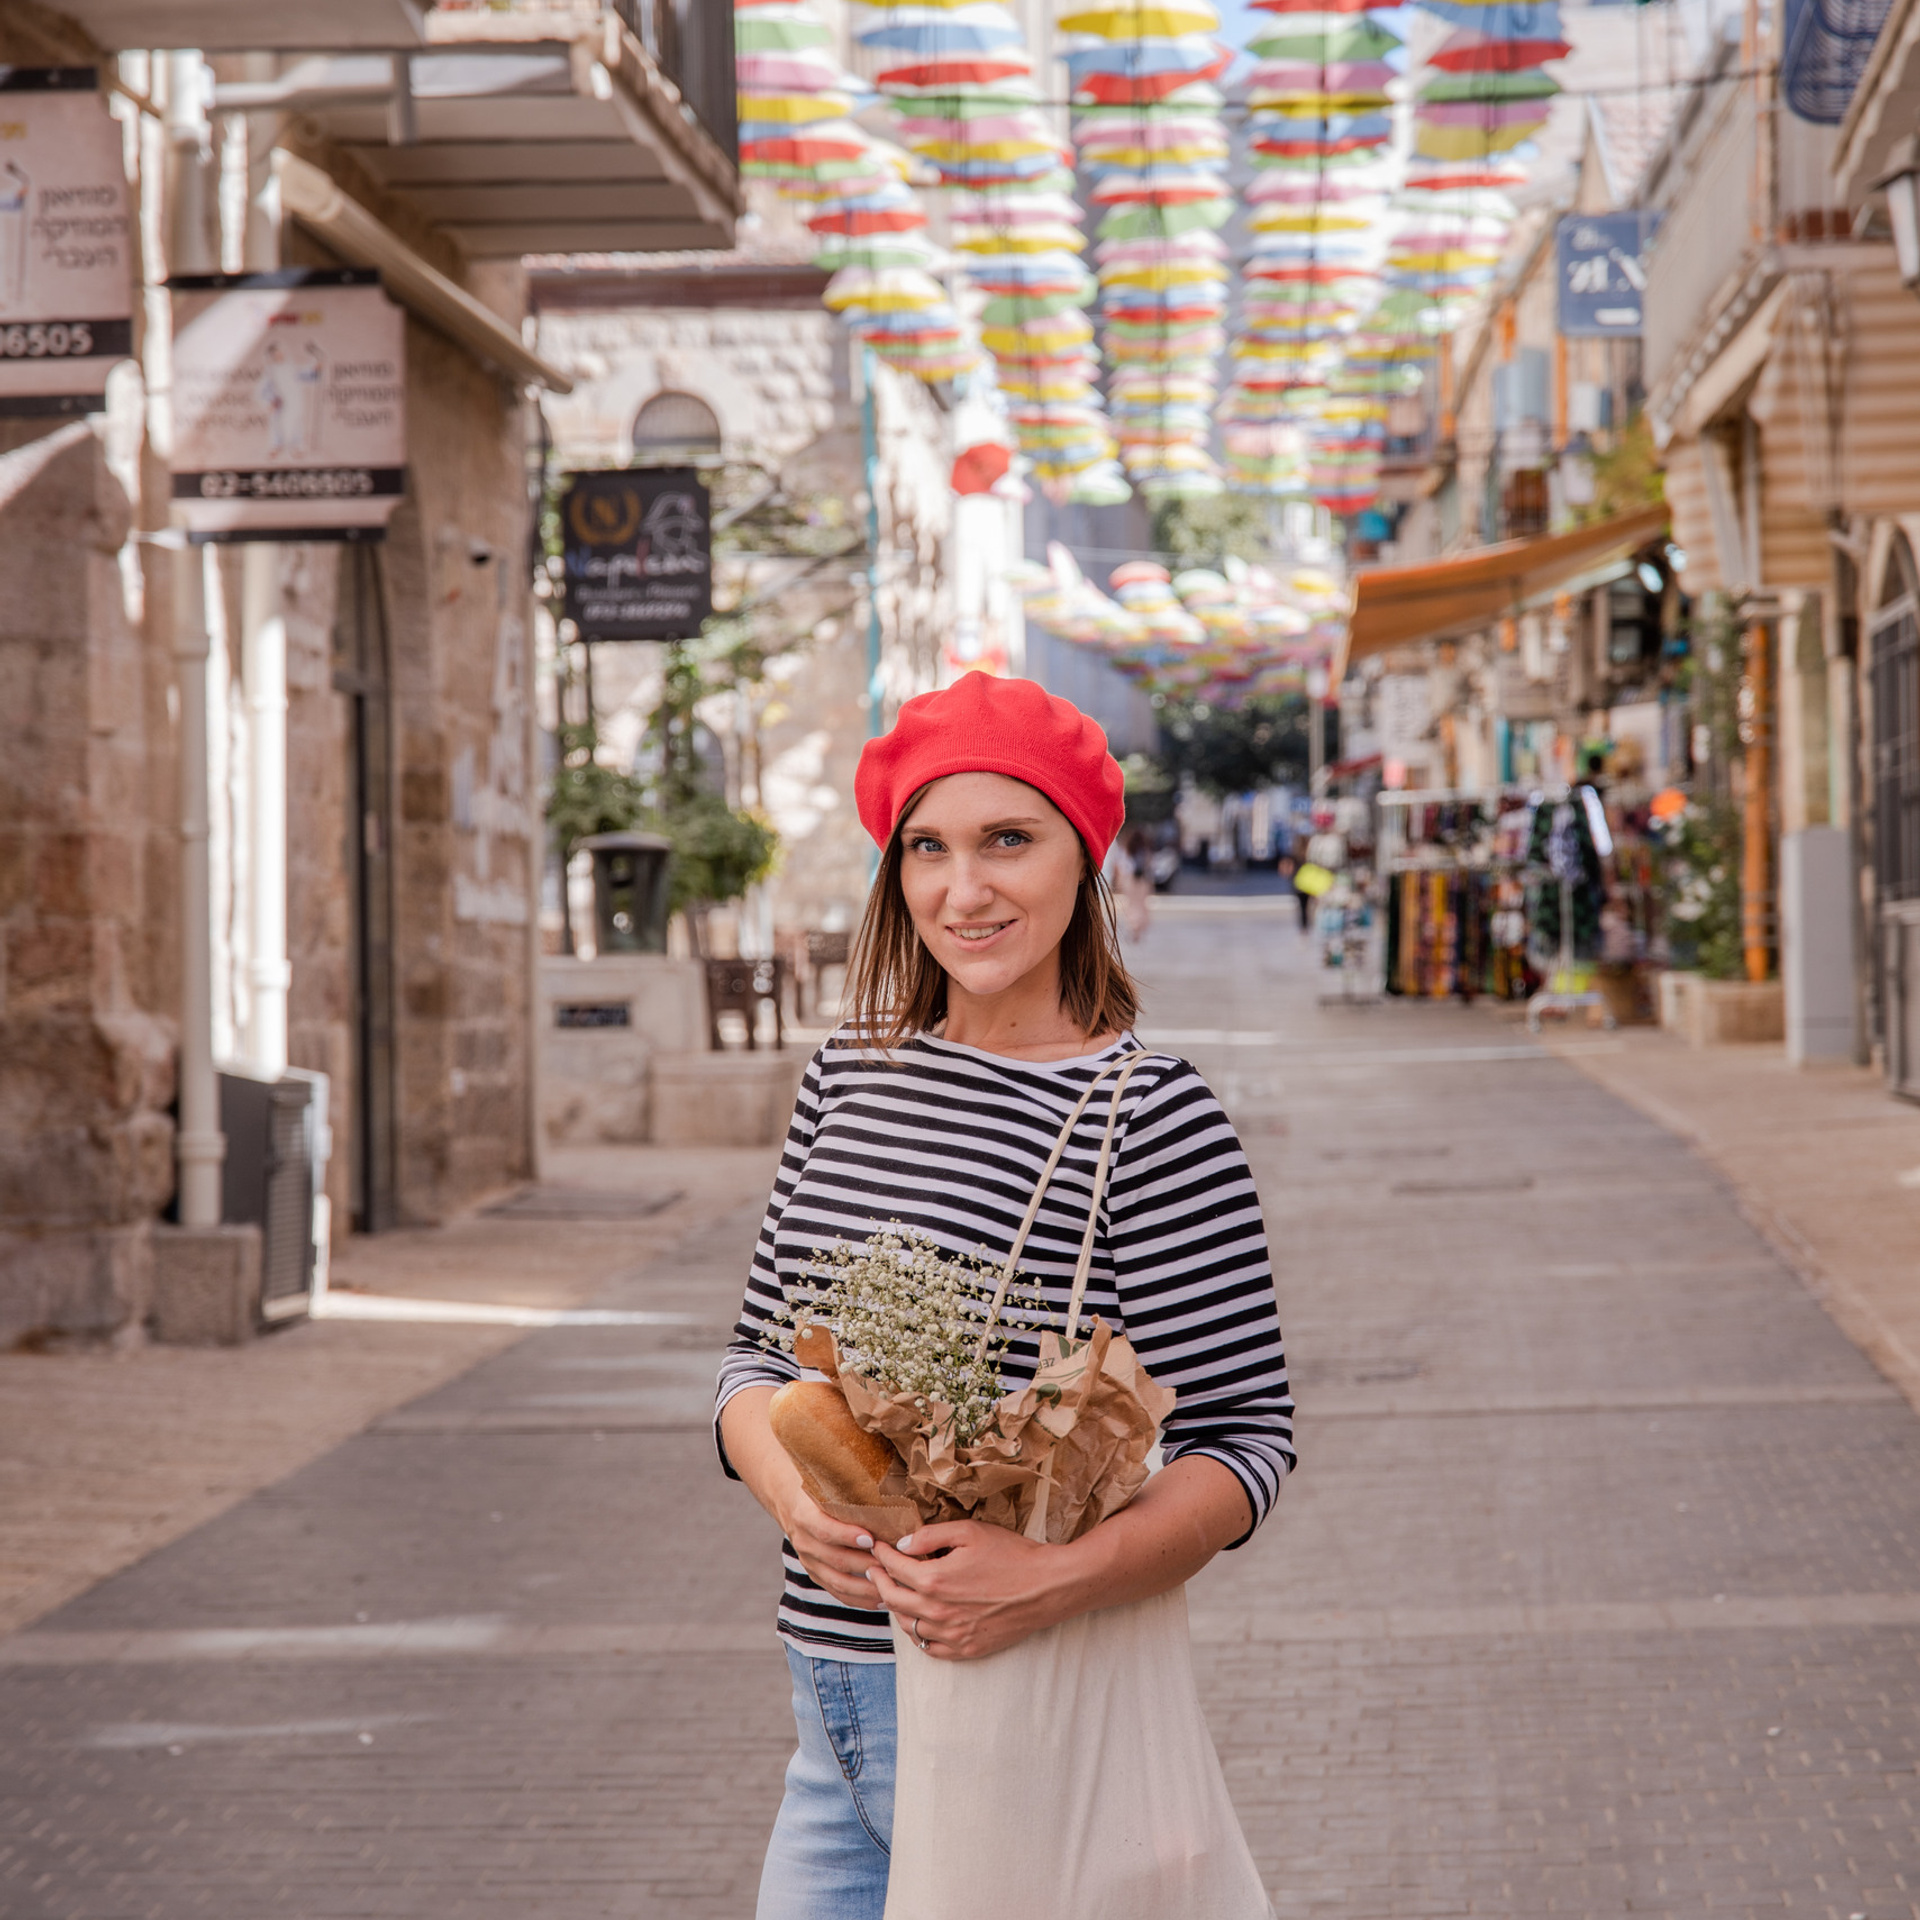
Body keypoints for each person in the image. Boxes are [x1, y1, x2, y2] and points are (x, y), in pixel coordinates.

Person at [715, 673, 1294, 1920]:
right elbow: (752, 1366)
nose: (962, 890)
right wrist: (791, 1497)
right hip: (830, 1729)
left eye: (1007, 841)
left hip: (1021, 1732)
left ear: (1084, 857)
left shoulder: (1150, 1119)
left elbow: (1245, 1445)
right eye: (927, 847)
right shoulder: (846, 1078)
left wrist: (1049, 1578)